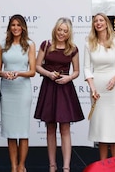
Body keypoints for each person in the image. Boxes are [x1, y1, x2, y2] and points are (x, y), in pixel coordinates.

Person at [34, 18, 83, 172]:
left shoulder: (73, 49)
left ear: (69, 33)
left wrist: (69, 77)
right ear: (55, 29)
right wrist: (49, 74)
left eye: (65, 31)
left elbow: (76, 71)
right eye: (60, 30)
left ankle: (66, 167)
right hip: (49, 87)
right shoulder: (46, 45)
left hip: (65, 89)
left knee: (65, 129)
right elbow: (36, 66)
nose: (62, 33)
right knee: (50, 128)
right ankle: (52, 166)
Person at [84, 13, 115, 160]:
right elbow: (86, 68)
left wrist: (114, 78)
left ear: (106, 23)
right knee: (101, 128)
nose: (98, 23)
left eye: (101, 20)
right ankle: (103, 165)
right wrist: (92, 88)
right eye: (95, 21)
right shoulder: (89, 43)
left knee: (114, 128)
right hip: (97, 90)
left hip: (114, 90)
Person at [0, 15, 36, 172]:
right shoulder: (2, 45)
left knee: (23, 131)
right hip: (7, 90)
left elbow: (32, 71)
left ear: (23, 27)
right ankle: (13, 167)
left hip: (23, 91)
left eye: (18, 25)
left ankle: (21, 166)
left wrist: (18, 73)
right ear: (9, 27)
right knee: (11, 132)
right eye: (13, 25)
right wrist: (5, 74)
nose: (15, 27)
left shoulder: (30, 45)